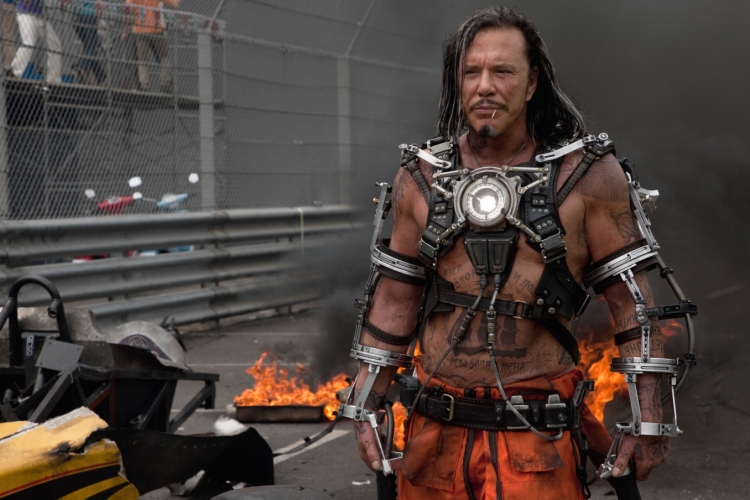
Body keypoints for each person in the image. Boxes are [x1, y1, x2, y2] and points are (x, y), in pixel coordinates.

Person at [348, 7, 673, 500]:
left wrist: (649, 419)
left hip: (536, 443)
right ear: (457, 82)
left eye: (502, 71)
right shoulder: (421, 176)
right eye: (471, 72)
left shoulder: (585, 175)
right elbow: (395, 299)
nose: (485, 87)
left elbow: (633, 305)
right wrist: (365, 406)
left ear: (531, 82)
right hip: (433, 442)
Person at [122, 0, 178, 93]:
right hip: (156, 29)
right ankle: (166, 83)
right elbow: (174, 4)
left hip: (140, 29)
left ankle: (143, 85)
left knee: (142, 59)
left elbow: (127, 10)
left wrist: (125, 31)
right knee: (164, 57)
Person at [10, 0, 61, 83]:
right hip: (25, 13)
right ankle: (15, 72)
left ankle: (53, 78)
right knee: (28, 43)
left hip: (40, 16)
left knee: (55, 44)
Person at [62, 0, 106, 85]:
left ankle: (102, 77)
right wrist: (98, 19)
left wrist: (63, 4)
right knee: (91, 48)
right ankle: (81, 65)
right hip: (90, 17)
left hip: (77, 19)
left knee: (88, 49)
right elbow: (100, 4)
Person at [2, 0, 16, 73]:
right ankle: (8, 65)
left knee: (8, 34)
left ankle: (8, 64)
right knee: (8, 34)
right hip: (8, 3)